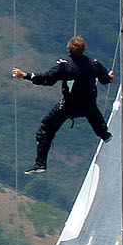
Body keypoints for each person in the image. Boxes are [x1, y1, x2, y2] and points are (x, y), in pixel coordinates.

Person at [12, 35, 114, 174]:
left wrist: (25, 75)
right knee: (92, 112)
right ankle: (104, 134)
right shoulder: (94, 64)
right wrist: (110, 78)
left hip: (69, 107)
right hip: (89, 107)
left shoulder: (65, 65)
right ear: (83, 49)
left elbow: (47, 79)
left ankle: (40, 164)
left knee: (46, 128)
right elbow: (105, 80)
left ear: (69, 49)